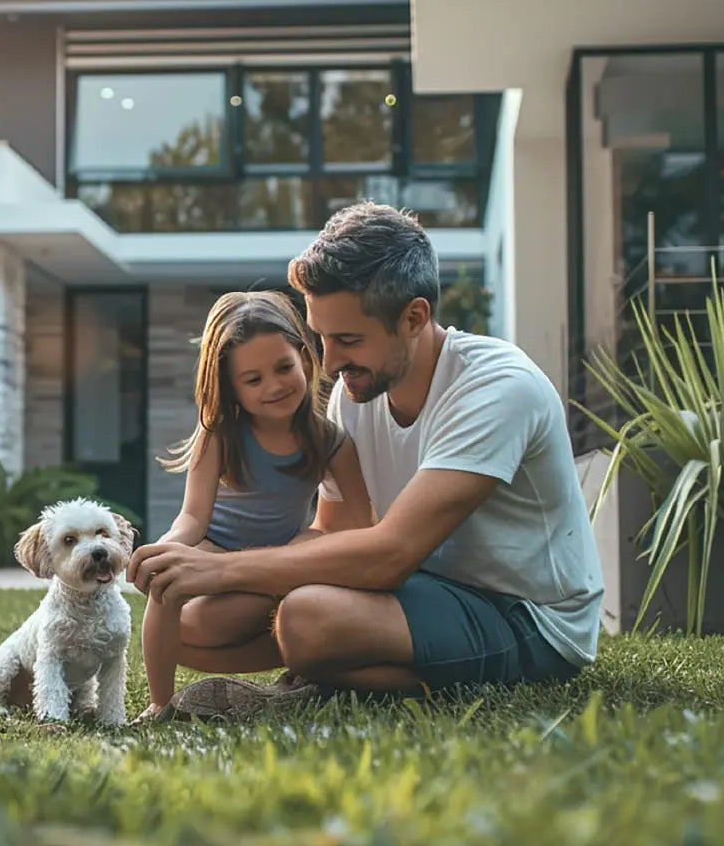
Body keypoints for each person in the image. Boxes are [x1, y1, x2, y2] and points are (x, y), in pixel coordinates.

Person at [128, 202, 604, 721]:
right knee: (195, 629)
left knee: (306, 615)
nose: (328, 363)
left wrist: (221, 570)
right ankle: (333, 667)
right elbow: (333, 530)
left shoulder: (496, 389)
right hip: (424, 592)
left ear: (414, 317)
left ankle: (341, 679)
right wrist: (210, 576)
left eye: (348, 340)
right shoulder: (355, 394)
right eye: (321, 337)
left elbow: (390, 552)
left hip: (525, 617)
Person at [133, 290, 373, 725]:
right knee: (174, 592)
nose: (275, 386)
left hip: (276, 562)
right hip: (214, 547)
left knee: (215, 622)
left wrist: (304, 550)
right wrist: (169, 547)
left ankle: (307, 670)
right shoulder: (221, 433)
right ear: (232, 387)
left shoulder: (331, 442)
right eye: (253, 379)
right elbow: (192, 517)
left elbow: (356, 526)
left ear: (304, 357)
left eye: (283, 367)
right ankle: (159, 703)